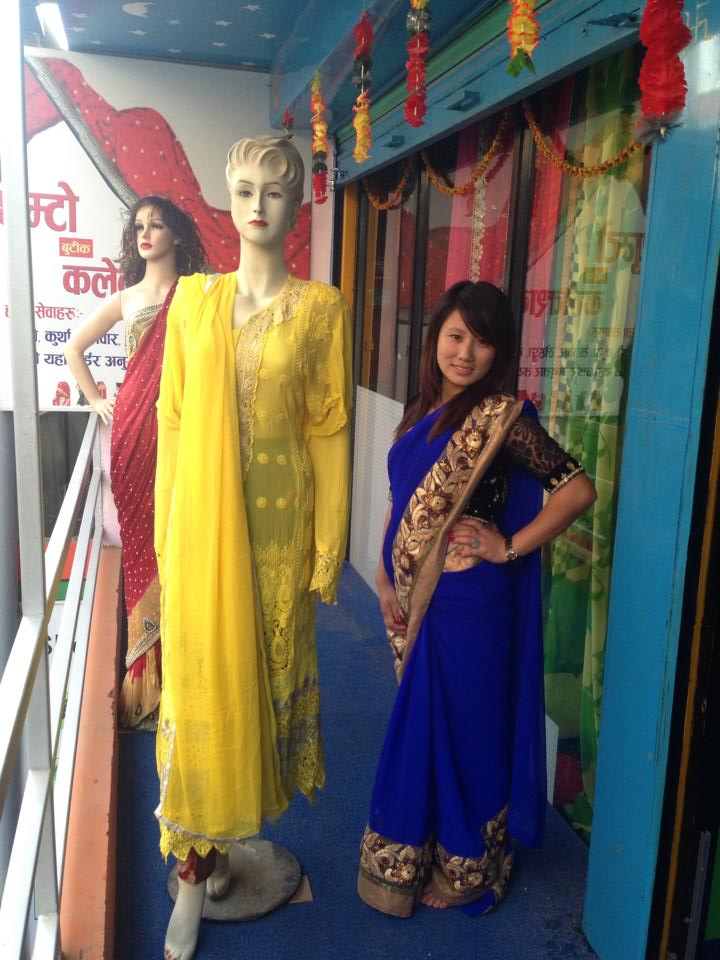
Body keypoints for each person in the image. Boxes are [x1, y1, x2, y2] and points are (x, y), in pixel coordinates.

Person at [154, 136, 352, 960]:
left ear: (297, 203)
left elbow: (329, 428)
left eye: (274, 191)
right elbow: (171, 421)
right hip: (200, 536)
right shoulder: (192, 302)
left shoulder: (321, 309)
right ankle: (193, 876)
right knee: (201, 693)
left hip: (277, 537)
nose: (257, 205)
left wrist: (328, 543)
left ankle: (233, 841)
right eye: (243, 190)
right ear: (227, 200)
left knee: (262, 688)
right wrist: (165, 534)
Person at [357, 280, 597, 918]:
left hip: (473, 603)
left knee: (469, 731)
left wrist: (509, 546)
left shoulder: (502, 421)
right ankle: (423, 849)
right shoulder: (421, 411)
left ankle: (471, 867)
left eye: (482, 341)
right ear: (435, 336)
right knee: (424, 725)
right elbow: (400, 501)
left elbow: (578, 490)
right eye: (456, 335)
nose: (465, 353)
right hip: (418, 596)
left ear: (500, 351)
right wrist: (383, 576)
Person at [64, 196, 207, 730]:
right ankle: (146, 684)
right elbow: (74, 348)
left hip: (181, 433)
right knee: (144, 549)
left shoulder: (195, 296)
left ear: (177, 235)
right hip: (131, 436)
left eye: (157, 225)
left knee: (181, 543)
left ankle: (184, 677)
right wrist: (97, 400)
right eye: (140, 226)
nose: (146, 234)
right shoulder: (126, 299)